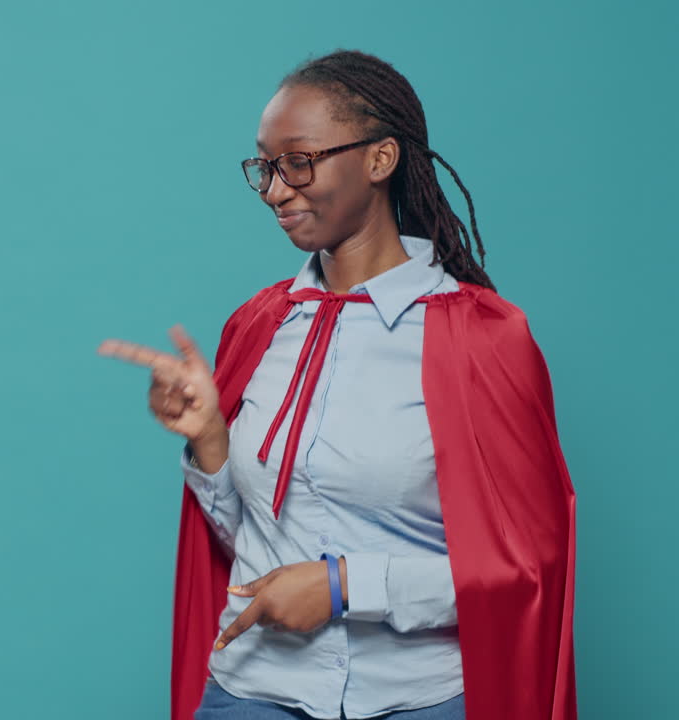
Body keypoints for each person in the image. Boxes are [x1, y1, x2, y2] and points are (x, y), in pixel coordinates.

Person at [98, 49, 577, 720]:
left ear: (380, 159)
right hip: (253, 692)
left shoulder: (482, 338)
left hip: (417, 698)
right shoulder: (260, 325)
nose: (275, 190)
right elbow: (250, 546)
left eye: (299, 162)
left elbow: (522, 569)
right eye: (265, 167)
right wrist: (209, 441)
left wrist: (346, 586)